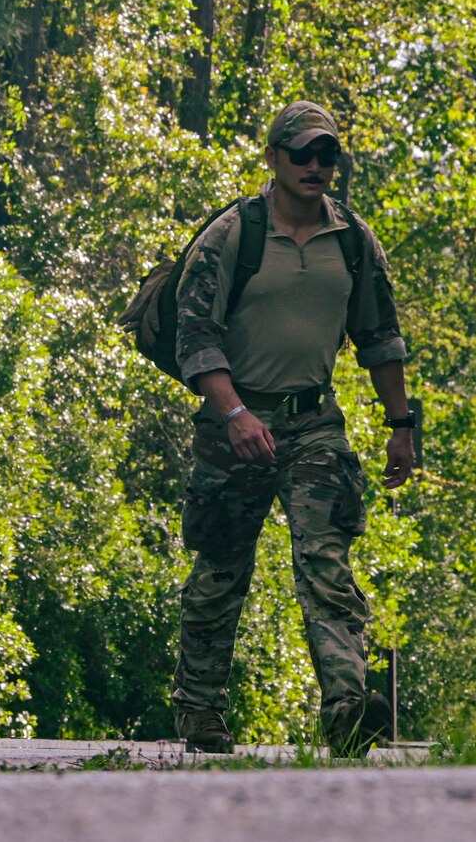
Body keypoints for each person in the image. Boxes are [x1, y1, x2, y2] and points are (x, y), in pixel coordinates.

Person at [172, 100, 414, 756]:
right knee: (221, 569)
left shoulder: (353, 239)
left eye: (326, 154)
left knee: (326, 564)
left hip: (314, 424)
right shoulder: (231, 235)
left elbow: (380, 336)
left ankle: (346, 708)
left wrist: (402, 424)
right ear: (274, 157)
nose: (314, 166)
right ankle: (199, 710)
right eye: (302, 153)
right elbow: (195, 339)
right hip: (234, 420)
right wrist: (235, 412)